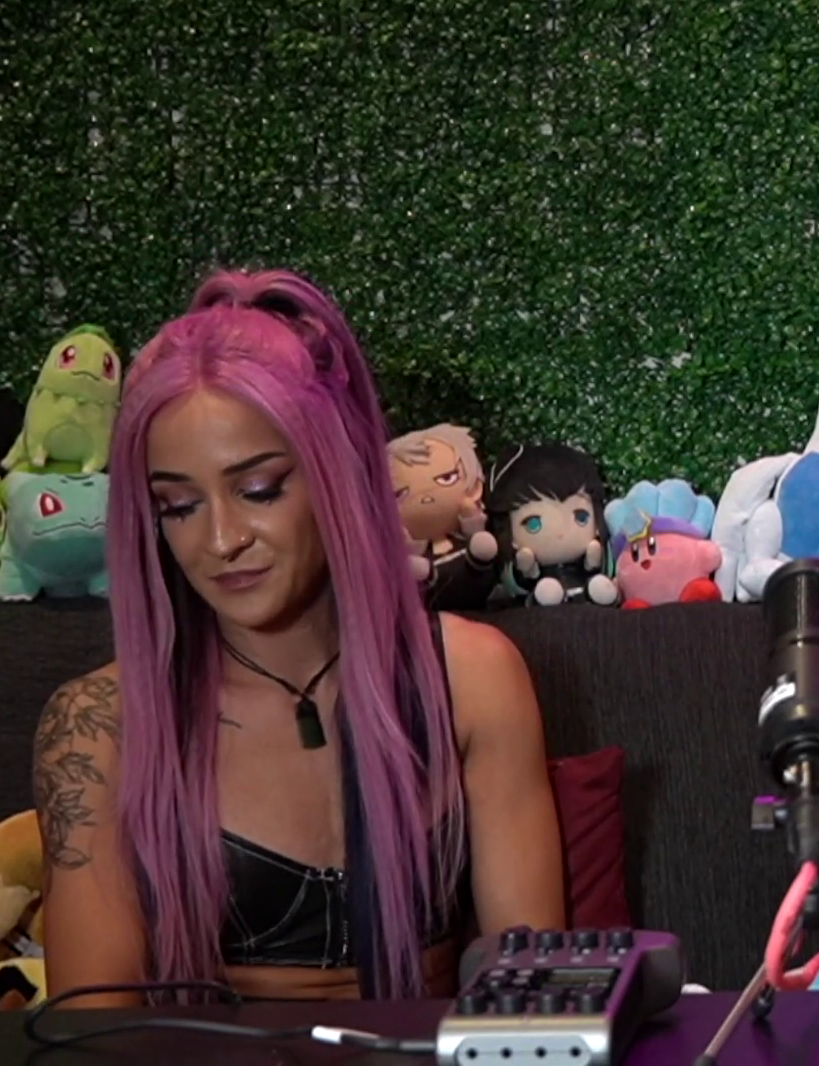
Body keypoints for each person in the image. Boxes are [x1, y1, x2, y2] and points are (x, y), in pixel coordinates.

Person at [32, 270, 567, 1006]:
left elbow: (533, 998)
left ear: (337, 474)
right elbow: (93, 1032)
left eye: (259, 490)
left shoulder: (472, 678)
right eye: (179, 505)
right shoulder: (99, 727)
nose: (221, 539)